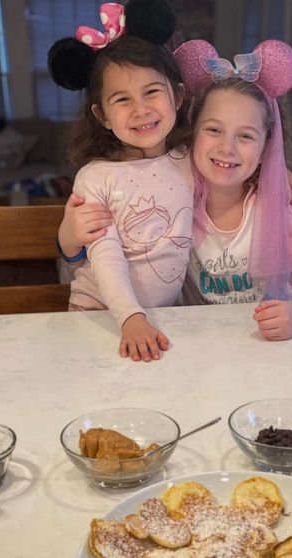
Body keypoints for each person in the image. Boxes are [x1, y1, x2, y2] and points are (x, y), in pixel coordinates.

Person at [62, 39, 292, 341]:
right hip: (193, 343)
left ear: (267, 147)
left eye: (246, 136)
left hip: (271, 344)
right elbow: (98, 252)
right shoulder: (179, 187)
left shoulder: (279, 202)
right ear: (192, 133)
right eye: (213, 130)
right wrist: (67, 240)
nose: (227, 148)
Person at [48, 0, 192, 362]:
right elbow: (105, 255)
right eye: (122, 99)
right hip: (100, 319)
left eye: (152, 92)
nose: (140, 109)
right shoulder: (96, 178)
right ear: (103, 115)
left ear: (176, 94)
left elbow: (232, 166)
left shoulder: (191, 159)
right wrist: (131, 318)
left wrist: (275, 172)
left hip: (163, 321)